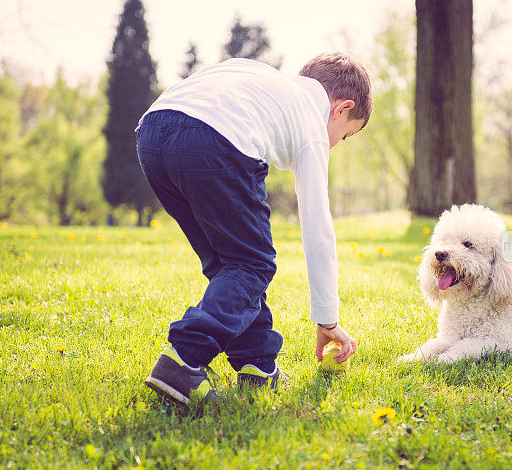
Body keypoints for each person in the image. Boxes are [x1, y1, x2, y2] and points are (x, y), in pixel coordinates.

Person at [136, 53, 371, 403]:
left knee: (228, 263)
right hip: (214, 140)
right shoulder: (311, 123)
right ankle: (183, 360)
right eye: (346, 135)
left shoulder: (264, 79)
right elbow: (318, 231)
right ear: (341, 109)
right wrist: (327, 321)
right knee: (253, 263)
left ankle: (257, 365)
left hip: (152, 132)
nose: (336, 143)